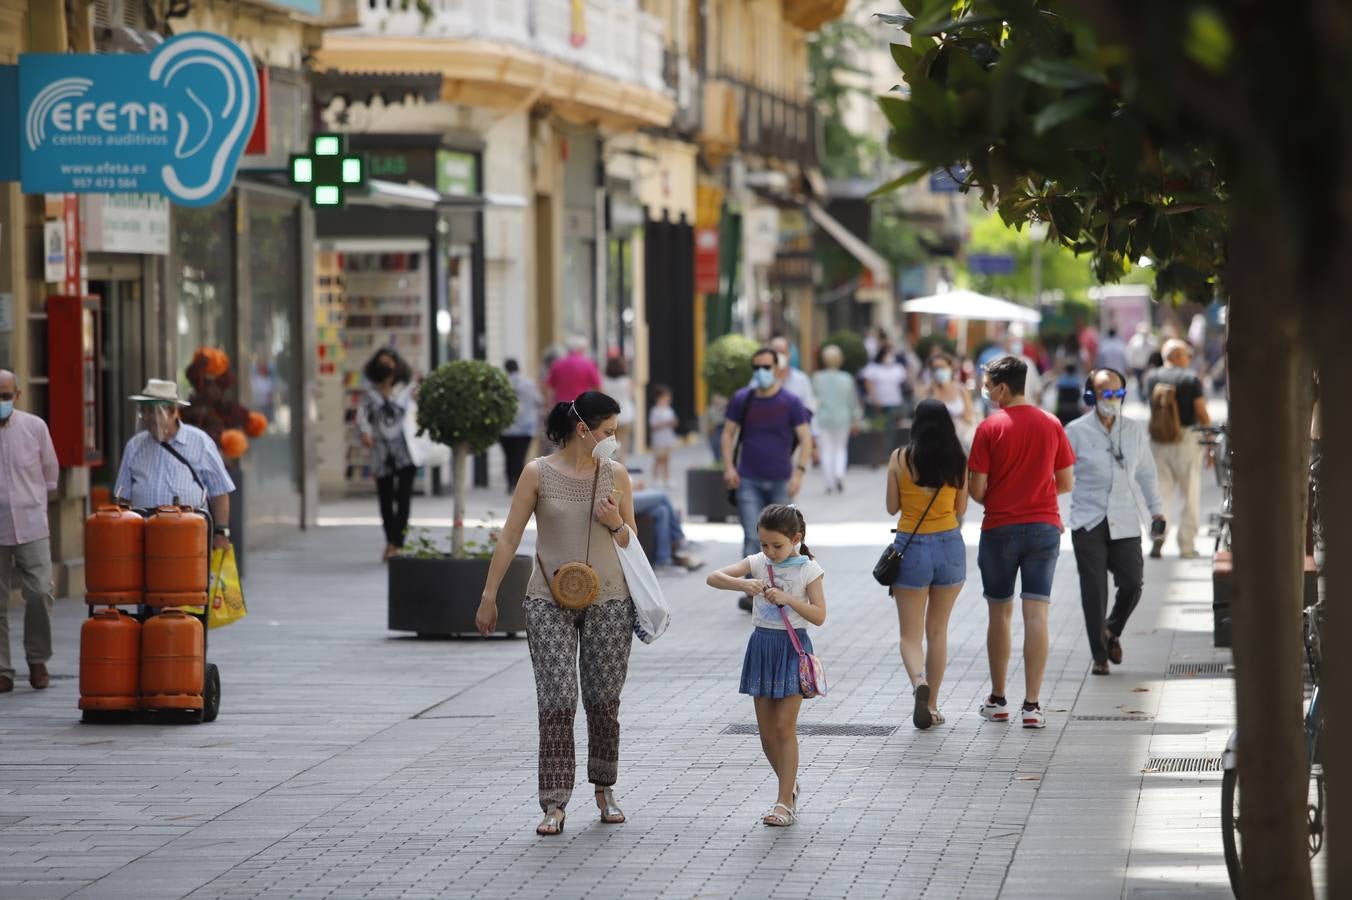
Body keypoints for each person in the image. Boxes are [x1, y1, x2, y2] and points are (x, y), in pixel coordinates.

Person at [475, 391, 637, 837]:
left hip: (609, 600)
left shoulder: (616, 475)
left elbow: (631, 544)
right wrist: (489, 595)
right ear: (583, 429)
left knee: (604, 702)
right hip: (548, 601)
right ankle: (554, 802)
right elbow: (509, 538)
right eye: (607, 433)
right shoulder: (537, 473)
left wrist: (615, 522)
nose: (613, 441)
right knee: (557, 701)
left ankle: (605, 789)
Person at [968, 356, 1075, 729]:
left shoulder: (988, 428)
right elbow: (1066, 482)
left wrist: (1002, 495)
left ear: (1000, 387)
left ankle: (998, 700)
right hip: (1045, 528)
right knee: (1037, 614)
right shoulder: (1051, 423)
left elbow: (976, 489)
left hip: (999, 529)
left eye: (987, 384)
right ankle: (1032, 705)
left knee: (1000, 612)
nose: (985, 391)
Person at [706, 504, 827, 827]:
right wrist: (744, 584)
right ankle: (789, 786)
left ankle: (784, 801)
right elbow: (713, 577)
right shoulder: (758, 563)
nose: (770, 552)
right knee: (765, 735)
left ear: (796, 539)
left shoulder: (808, 569)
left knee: (784, 728)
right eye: (764, 545)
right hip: (761, 647)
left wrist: (790, 600)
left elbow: (819, 615)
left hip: (792, 648)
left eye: (777, 545)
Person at [1066, 369, 1165, 675]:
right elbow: (1056, 477)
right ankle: (1099, 656)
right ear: (1090, 397)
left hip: (1124, 518)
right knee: (1094, 590)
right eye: (1106, 394)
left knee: (1133, 584)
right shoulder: (1074, 432)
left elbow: (1147, 474)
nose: (1112, 400)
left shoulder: (1133, 430)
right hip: (1088, 520)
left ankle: (1111, 630)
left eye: (1118, 394)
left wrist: (1156, 511)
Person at [885, 399, 969, 730]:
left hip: (912, 547)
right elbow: (961, 507)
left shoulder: (900, 458)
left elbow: (892, 507)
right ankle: (932, 704)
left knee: (910, 635)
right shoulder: (959, 460)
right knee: (938, 631)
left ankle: (919, 680)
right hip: (949, 545)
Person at [722, 348, 814, 612]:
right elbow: (728, 433)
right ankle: (754, 594)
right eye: (757, 367)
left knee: (783, 538)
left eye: (766, 366)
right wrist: (729, 467)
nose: (761, 372)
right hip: (748, 478)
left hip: (780, 480)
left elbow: (806, 438)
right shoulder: (743, 399)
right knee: (753, 538)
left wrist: (799, 473)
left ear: (777, 369)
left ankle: (781, 591)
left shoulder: (790, 401)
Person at [113, 378, 235, 549]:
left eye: (152, 412)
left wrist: (221, 532)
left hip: (189, 540)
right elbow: (122, 497)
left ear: (171, 411)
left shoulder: (200, 442)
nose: (146, 418)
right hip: (144, 541)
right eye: (143, 411)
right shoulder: (135, 446)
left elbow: (220, 491)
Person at [0, 370, 59, 692]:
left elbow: (50, 473)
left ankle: (37, 660)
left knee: (39, 593)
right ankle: (2, 671)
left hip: (32, 525)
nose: (1, 402)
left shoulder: (35, 427)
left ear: (17, 396)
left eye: (6, 396)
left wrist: (32, 502)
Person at [1145, 339, 1211, 559]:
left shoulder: (1151, 378)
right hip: (1186, 440)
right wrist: (1209, 439)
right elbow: (1201, 412)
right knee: (1190, 492)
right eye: (1186, 355)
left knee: (1160, 494)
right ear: (1176, 356)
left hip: (1158, 442)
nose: (1188, 359)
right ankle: (1186, 545)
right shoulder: (1190, 379)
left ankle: (1158, 539)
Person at [356, 349, 418, 562]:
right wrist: (365, 433)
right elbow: (361, 417)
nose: (386, 368)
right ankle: (390, 541)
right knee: (385, 498)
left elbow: (417, 414)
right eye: (382, 364)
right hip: (381, 452)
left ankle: (398, 544)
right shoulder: (370, 394)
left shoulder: (407, 391)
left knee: (403, 498)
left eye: (389, 363)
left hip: (406, 451)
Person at [811, 344, 862, 493]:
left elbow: (814, 400)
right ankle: (839, 473)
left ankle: (829, 483)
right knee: (840, 449)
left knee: (826, 451)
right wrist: (855, 418)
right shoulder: (847, 378)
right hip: (843, 418)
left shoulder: (817, 378)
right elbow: (852, 401)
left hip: (823, 418)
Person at [631, 485, 702, 576]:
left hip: (629, 494)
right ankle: (680, 539)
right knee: (663, 496)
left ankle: (663, 563)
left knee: (662, 511)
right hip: (619, 499)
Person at [500, 359, 542, 493]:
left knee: (508, 456)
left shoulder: (501, 383)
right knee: (520, 455)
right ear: (518, 368)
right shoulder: (528, 383)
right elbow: (539, 400)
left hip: (506, 428)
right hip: (526, 427)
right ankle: (518, 483)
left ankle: (510, 482)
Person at [922, 353, 976, 452]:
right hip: (936, 443)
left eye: (942, 367)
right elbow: (925, 419)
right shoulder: (929, 392)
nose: (939, 371)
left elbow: (969, 417)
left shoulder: (961, 390)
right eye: (935, 368)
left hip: (960, 441)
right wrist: (935, 393)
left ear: (950, 368)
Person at [860, 344, 907, 444]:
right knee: (876, 428)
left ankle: (888, 449)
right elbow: (868, 384)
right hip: (876, 404)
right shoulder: (873, 368)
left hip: (894, 403)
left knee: (891, 429)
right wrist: (875, 399)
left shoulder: (898, 368)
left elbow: (904, 384)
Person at [546, 335, 601, 405]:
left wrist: (548, 404)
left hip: (562, 406)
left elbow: (548, 387)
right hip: (581, 406)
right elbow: (598, 387)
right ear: (581, 349)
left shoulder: (558, 364)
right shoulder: (588, 364)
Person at [601, 356, 636, 457]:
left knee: (610, 445)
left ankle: (611, 466)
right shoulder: (627, 381)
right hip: (626, 414)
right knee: (623, 444)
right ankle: (621, 468)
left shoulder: (604, 381)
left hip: (608, 416)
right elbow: (632, 396)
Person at [647, 384, 678, 488]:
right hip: (659, 440)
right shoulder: (655, 410)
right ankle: (656, 478)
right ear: (659, 398)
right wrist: (665, 423)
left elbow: (674, 423)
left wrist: (673, 422)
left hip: (668, 439)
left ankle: (667, 478)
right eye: (665, 397)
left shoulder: (669, 410)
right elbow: (653, 425)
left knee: (667, 459)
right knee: (658, 459)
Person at [1126, 323, 1158, 400]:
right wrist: (1130, 366)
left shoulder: (1152, 340)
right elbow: (1130, 353)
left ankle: (1147, 396)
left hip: (1149, 366)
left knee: (1148, 382)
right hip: (1137, 366)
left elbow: (1155, 353)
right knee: (1139, 382)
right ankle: (1141, 397)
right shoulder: (1134, 340)